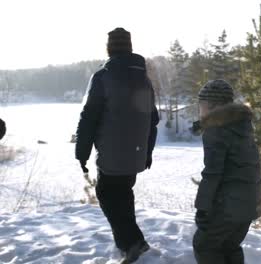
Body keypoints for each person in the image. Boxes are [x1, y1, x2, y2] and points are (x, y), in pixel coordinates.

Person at [75, 27, 159, 264]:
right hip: (136, 155)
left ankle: (132, 242)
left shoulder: (103, 77)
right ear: (130, 49)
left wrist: (81, 152)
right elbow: (152, 119)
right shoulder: (144, 79)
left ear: (109, 49)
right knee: (123, 193)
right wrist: (147, 153)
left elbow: (89, 116)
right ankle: (129, 242)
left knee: (107, 194)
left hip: (111, 156)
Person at [192, 80, 261, 264]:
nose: (200, 110)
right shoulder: (242, 125)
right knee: (229, 247)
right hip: (247, 204)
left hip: (228, 207)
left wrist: (203, 208)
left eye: (202, 105)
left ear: (212, 107)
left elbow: (212, 173)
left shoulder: (216, 131)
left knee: (204, 245)